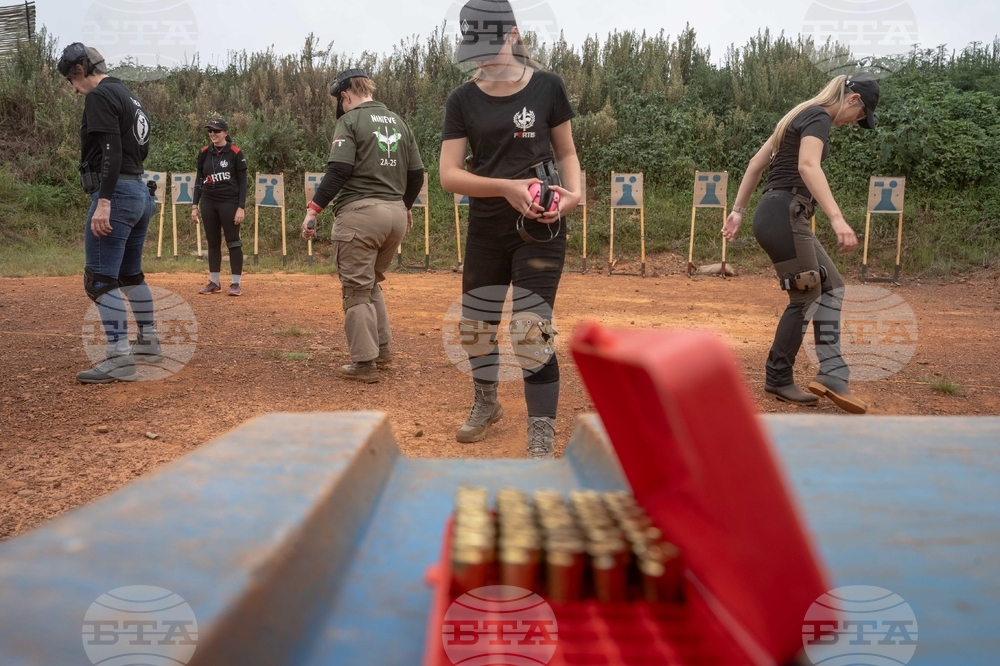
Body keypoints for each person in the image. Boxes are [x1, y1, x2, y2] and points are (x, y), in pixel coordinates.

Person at [439, 0, 582, 458]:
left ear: (514, 34)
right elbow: (449, 175)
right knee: (475, 325)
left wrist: (573, 196)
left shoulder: (547, 87)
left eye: (489, 43)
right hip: (487, 223)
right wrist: (505, 187)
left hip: (541, 225)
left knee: (530, 327)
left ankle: (541, 431)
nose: (480, 55)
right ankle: (487, 402)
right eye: (473, 45)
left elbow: (567, 154)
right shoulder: (462, 99)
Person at [723, 73, 880, 414]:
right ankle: (778, 377)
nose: (856, 123)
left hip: (780, 212)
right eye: (861, 116)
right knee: (807, 293)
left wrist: (737, 212)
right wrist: (838, 219)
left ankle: (832, 373)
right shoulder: (818, 116)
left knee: (832, 286)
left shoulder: (799, 114)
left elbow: (754, 165)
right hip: (784, 212)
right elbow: (807, 165)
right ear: (853, 99)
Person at [302, 68, 424, 383]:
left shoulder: (350, 121)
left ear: (345, 95)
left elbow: (340, 169)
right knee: (370, 284)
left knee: (356, 291)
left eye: (339, 100)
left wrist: (314, 208)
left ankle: (364, 363)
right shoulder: (399, 121)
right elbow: (416, 176)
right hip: (395, 215)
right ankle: (382, 349)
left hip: (361, 215)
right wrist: (405, 206)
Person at [59, 42, 161, 383]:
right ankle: (148, 341)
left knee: (100, 280)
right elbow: (139, 148)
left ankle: (119, 357)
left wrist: (104, 201)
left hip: (116, 195)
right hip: (138, 191)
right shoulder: (128, 95)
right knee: (130, 275)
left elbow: (110, 149)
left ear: (80, 70)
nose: (74, 90)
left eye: (71, 81)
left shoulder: (99, 95)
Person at [193, 118, 248, 296]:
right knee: (213, 242)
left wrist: (241, 207)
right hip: (209, 202)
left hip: (229, 202)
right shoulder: (203, 153)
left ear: (225, 132)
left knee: (233, 242)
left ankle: (235, 283)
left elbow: (243, 183)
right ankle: (214, 282)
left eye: (216, 131)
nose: (212, 134)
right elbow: (198, 180)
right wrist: (195, 205)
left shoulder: (235, 153)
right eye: (210, 131)